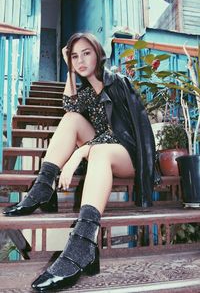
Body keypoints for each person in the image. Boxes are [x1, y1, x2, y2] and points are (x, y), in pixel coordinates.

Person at [3, 32, 155, 291]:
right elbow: (69, 105)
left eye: (86, 53)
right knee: (72, 119)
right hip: (103, 149)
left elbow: (124, 133)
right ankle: (43, 187)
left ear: (98, 53)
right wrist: (69, 70)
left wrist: (81, 151)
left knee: (100, 151)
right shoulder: (86, 91)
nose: (81, 60)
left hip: (129, 155)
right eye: (75, 56)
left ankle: (83, 242)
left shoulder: (117, 82)